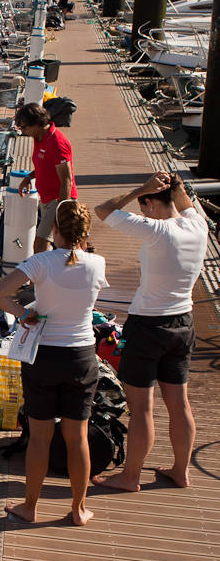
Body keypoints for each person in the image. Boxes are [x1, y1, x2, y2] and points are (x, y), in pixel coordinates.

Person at [0, 201, 105, 526]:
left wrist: (24, 313)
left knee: (40, 438)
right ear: (84, 232)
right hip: (81, 357)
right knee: (77, 437)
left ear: (54, 229)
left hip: (43, 357)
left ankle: (30, 506)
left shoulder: (40, 262)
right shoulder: (97, 263)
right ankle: (79, 509)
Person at [93, 172, 205, 491]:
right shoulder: (198, 226)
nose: (144, 214)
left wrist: (139, 190)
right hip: (183, 323)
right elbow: (185, 202)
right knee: (179, 403)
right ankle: (181, 471)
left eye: (145, 207)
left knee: (142, 408)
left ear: (152, 204)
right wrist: (175, 186)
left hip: (147, 327)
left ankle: (130, 477)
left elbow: (104, 210)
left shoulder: (156, 229)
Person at [15, 103, 77, 253]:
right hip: (46, 199)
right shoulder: (39, 137)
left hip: (58, 200)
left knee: (41, 243)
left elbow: (66, 179)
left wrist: (62, 210)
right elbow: (45, 165)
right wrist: (29, 177)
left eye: (24, 127)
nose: (22, 132)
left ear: (37, 123)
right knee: (61, 243)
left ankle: (38, 276)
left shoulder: (57, 143)